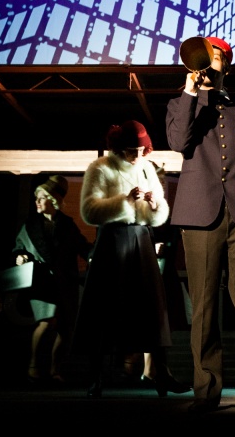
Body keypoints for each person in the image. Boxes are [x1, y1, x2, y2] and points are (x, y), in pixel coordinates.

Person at [165, 36, 235, 414]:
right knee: (205, 307)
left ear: (226, 64)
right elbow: (179, 142)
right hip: (200, 216)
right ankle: (206, 391)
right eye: (203, 57)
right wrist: (191, 91)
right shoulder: (181, 104)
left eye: (214, 57)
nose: (207, 62)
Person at [74, 120, 187, 398]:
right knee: (104, 306)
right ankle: (96, 378)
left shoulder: (147, 168)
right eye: (130, 151)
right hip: (111, 241)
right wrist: (124, 201)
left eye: (140, 150)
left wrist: (154, 205)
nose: (136, 156)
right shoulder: (101, 168)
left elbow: (159, 211)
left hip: (141, 239)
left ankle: (162, 373)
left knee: (151, 307)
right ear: (118, 148)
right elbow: (89, 210)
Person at [12, 174, 91, 385]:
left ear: (53, 200)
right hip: (42, 282)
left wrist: (95, 256)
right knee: (47, 321)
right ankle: (33, 367)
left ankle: (56, 370)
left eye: (41, 197)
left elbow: (84, 247)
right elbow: (18, 247)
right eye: (36, 197)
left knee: (65, 329)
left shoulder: (68, 225)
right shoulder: (30, 225)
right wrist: (20, 256)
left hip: (65, 283)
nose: (37, 201)